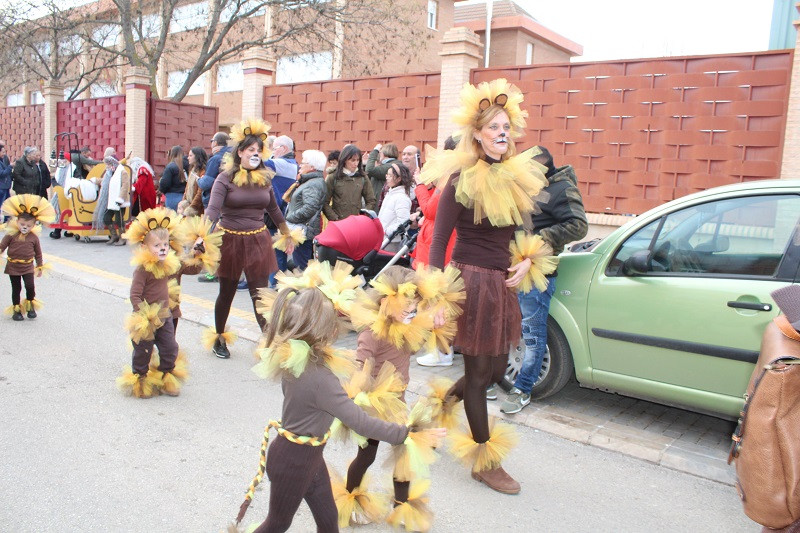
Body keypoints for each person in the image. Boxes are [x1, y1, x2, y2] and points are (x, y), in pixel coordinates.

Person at [424, 78, 549, 494]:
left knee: (496, 370)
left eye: (507, 127)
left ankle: (440, 406)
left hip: (501, 285)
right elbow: (440, 241)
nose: (502, 134)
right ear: (477, 134)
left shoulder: (515, 178)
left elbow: (523, 236)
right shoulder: (462, 178)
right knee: (480, 373)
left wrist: (527, 259)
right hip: (471, 284)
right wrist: (438, 293)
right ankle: (484, 460)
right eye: (494, 127)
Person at [338, 265, 459, 528]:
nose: (412, 313)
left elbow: (413, 347)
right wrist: (360, 389)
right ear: (385, 303)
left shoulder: (408, 326)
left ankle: (401, 506)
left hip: (398, 403)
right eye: (406, 308)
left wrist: (433, 324)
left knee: (405, 453)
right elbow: (362, 362)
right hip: (373, 405)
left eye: (415, 308)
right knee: (366, 456)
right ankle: (350, 497)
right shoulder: (372, 332)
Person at [203, 118, 300, 359]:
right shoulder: (224, 178)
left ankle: (270, 342)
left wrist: (287, 233)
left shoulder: (264, 179)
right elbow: (212, 210)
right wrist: (201, 234)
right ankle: (219, 338)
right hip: (230, 240)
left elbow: (275, 210)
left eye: (258, 150)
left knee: (260, 294)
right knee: (227, 291)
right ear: (240, 153)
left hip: (258, 240)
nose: (255, 154)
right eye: (250, 150)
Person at [501, 146, 588, 414]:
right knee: (506, 330)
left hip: (537, 273)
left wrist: (539, 242)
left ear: (542, 169)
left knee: (532, 334)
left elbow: (578, 225)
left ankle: (523, 389)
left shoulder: (561, 188)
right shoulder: (528, 187)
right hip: (511, 269)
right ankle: (495, 379)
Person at [115, 208, 210, 399]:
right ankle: (141, 378)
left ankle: (167, 377)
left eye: (165, 244)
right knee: (143, 351)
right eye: (157, 245)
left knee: (170, 348)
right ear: (145, 248)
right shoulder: (143, 270)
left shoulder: (171, 262)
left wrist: (198, 253)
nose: (163, 248)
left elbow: (191, 267)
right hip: (146, 319)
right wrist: (141, 313)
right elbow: (135, 294)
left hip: (166, 315)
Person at [413, 135, 458, 368]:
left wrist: (420, 185)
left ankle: (442, 351)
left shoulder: (452, 177)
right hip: (437, 244)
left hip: (440, 248)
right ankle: (440, 349)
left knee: (435, 300)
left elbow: (430, 210)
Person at [0, 194, 55, 321]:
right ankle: (17, 310)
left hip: (28, 266)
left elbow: (38, 253)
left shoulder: (33, 238)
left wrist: (40, 266)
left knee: (30, 286)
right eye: (22, 224)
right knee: (16, 288)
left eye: (28, 225)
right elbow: (2, 246)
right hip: (13, 266)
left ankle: (30, 305)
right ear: (17, 222)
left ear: (34, 225)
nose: (25, 227)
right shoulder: (11, 235)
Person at [283, 149, 327, 271]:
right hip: (304, 230)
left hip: (303, 231)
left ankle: (303, 290)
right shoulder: (311, 181)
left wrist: (290, 217)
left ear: (312, 167)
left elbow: (310, 208)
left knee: (301, 268)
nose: (300, 165)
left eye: (303, 162)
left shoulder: (313, 184)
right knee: (302, 265)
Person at [264, 135, 298, 289]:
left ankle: (276, 285)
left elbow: (262, 163)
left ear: (284, 149)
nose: (272, 151)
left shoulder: (286, 164)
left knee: (277, 252)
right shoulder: (288, 163)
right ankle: (276, 283)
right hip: (277, 213)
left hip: (278, 214)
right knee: (275, 251)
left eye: (275, 148)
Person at [197, 132, 232, 283]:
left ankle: (214, 273)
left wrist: (198, 180)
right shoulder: (232, 156)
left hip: (215, 204)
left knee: (212, 239)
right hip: (229, 206)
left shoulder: (216, 159)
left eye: (212, 141)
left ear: (216, 143)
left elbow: (207, 183)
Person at [322, 144, 376, 222]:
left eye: (358, 160)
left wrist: (363, 217)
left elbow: (371, 200)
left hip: (356, 223)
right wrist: (335, 218)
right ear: (344, 160)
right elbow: (324, 202)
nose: (356, 163)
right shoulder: (333, 177)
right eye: (353, 160)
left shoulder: (362, 177)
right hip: (339, 223)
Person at [377, 162, 412, 252]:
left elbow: (404, 222)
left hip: (391, 241)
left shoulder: (402, 198)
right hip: (383, 239)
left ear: (398, 179)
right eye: (387, 175)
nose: (387, 177)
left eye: (390, 175)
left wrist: (387, 231)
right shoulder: (390, 193)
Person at [103, 157, 132, 246]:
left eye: (110, 164)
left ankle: (122, 238)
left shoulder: (122, 172)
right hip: (112, 201)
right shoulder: (112, 173)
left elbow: (125, 186)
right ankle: (114, 235)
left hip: (120, 201)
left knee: (119, 220)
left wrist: (120, 199)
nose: (108, 166)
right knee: (106, 218)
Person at [366, 143, 399, 208]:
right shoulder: (391, 165)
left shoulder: (391, 166)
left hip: (381, 205)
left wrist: (375, 151)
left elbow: (369, 170)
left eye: (380, 153)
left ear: (383, 154)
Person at [159, 146, 187, 210]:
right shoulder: (189, 165)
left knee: (172, 218)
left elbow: (165, 184)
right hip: (185, 197)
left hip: (172, 196)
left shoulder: (170, 166)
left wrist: (162, 189)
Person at [183, 146, 207, 216]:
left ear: (197, 157)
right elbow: (187, 189)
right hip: (189, 205)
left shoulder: (203, 171)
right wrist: (183, 202)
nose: (188, 158)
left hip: (197, 209)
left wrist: (192, 207)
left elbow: (200, 192)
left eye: (190, 155)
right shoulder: (192, 170)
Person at [0, 141, 11, 211]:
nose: (4, 154)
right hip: (1, 187)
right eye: (3, 152)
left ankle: (7, 220)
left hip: (6, 186)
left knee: (8, 206)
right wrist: (10, 167)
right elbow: (2, 173)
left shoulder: (5, 159)